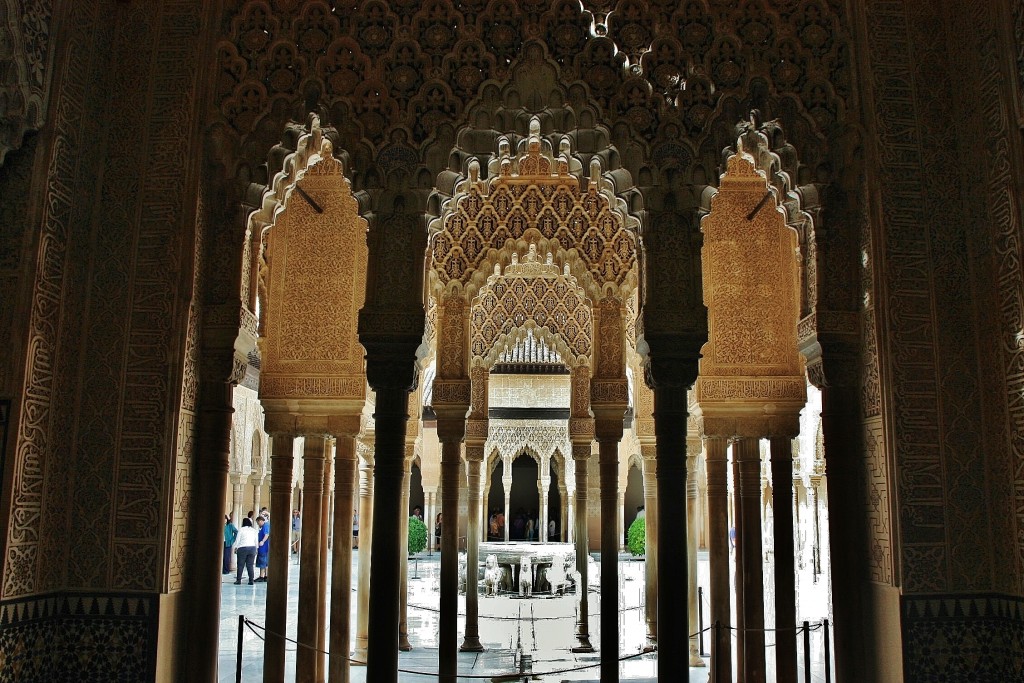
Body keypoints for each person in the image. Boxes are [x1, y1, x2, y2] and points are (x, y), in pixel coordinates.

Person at [234, 517, 258, 585]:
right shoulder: (254, 530)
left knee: (240, 565)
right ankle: (251, 580)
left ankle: (238, 580)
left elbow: (238, 539)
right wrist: (256, 548)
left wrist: (236, 547)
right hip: (252, 548)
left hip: (242, 548)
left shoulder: (241, 529)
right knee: (250, 565)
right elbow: (256, 541)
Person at [255, 515, 270, 581]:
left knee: (262, 561)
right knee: (265, 562)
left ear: (261, 521)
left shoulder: (265, 526)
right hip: (264, 547)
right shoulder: (265, 526)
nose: (258, 524)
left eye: (258, 523)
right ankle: (266, 576)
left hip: (264, 547)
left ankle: (261, 576)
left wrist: (262, 541)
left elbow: (267, 534)